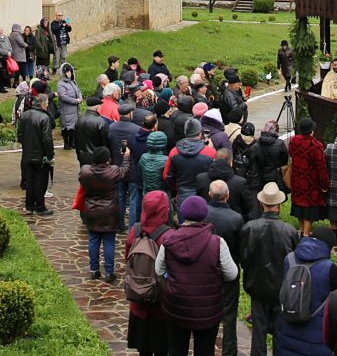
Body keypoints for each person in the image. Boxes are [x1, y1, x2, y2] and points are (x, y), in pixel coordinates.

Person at [159, 193, 239, 355]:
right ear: (204, 215)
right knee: (205, 350)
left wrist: (171, 276)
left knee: (176, 349)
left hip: (176, 306)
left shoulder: (169, 240)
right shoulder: (217, 242)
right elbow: (232, 274)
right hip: (207, 309)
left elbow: (158, 270)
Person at [241, 183, 299, 356]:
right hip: (281, 288)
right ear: (279, 206)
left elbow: (244, 258)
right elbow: (295, 261)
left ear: (261, 204)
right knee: (280, 332)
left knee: (258, 332)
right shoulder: (289, 231)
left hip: (257, 286)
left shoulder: (249, 228)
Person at [275, 224, 337, 356]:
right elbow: (336, 303)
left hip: (287, 331)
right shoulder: (330, 268)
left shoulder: (289, 259)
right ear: (329, 247)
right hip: (317, 338)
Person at [202, 180, 247, 356]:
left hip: (205, 271)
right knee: (229, 315)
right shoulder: (236, 218)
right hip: (229, 272)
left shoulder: (202, 214)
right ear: (227, 196)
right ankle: (229, 351)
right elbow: (241, 247)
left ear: (209, 195)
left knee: (206, 312)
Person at [128, 189, 174, 356]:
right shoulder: (169, 235)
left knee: (143, 349)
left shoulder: (135, 230)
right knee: (162, 348)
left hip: (138, 299)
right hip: (160, 305)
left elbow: (128, 257)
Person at [79, 144, 130, 281]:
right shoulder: (113, 172)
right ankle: (109, 271)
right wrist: (126, 157)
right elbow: (124, 171)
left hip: (91, 210)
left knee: (93, 240)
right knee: (109, 241)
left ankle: (94, 269)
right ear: (107, 160)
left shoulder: (85, 171)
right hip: (109, 212)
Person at [288, 118, 329, 237]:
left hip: (297, 179)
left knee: (300, 206)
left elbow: (291, 155)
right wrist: (325, 184)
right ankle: (305, 234)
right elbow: (321, 167)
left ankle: (302, 231)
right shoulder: (316, 145)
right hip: (311, 182)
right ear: (311, 131)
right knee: (308, 209)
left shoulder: (293, 142)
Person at [17, 91, 54, 216]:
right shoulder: (44, 118)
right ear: (43, 104)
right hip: (40, 156)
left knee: (30, 181)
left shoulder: (25, 115)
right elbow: (47, 139)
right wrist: (50, 155)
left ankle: (29, 206)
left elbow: (20, 135)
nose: (48, 105)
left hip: (27, 154)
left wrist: (26, 146)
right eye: (47, 103)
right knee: (40, 182)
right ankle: (39, 206)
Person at [250, 120, 290, 195]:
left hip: (261, 177)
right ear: (276, 131)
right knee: (277, 197)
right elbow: (285, 160)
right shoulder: (280, 144)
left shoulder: (255, 145)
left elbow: (253, 162)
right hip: (276, 177)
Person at [57, 62, 83, 150]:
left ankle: (72, 142)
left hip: (75, 109)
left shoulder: (73, 82)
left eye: (70, 72)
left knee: (74, 126)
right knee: (66, 127)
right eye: (67, 72)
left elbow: (78, 91)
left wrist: (80, 97)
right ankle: (66, 143)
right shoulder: (61, 84)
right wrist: (75, 101)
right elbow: (63, 96)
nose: (69, 74)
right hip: (66, 109)